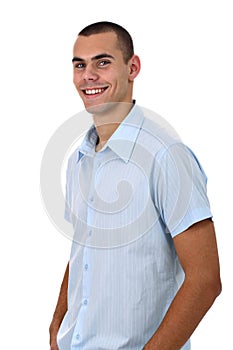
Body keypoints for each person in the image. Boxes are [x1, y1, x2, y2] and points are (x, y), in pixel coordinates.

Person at [49, 21, 221, 350]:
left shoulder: (166, 155)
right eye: (79, 65)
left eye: (103, 62)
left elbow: (205, 278)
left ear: (133, 67)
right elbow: (83, 251)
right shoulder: (78, 161)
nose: (89, 76)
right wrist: (58, 325)